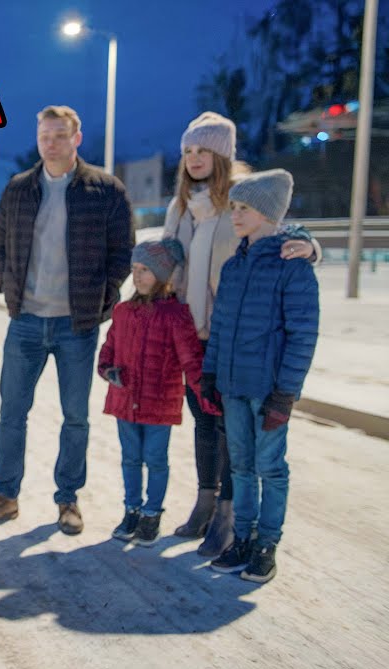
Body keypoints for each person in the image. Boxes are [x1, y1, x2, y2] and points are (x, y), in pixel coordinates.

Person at [162, 112, 319, 557]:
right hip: (191, 333)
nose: (194, 159)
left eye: (203, 150)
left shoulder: (242, 200)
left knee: (235, 432)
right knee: (204, 424)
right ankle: (205, 503)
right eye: (188, 151)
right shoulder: (179, 208)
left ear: (223, 155)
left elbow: (282, 232)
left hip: (234, 335)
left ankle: (230, 515)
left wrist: (311, 246)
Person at [0, 105, 135, 534]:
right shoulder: (20, 188)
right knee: (12, 413)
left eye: (60, 135)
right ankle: (5, 495)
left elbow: (123, 252)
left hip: (76, 325)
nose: (51, 143)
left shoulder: (105, 190)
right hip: (25, 320)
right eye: (45, 135)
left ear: (76, 139)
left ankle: (68, 499)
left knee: (75, 417)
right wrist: (8, 290)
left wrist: (103, 296)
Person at [203, 169, 319, 583]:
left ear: (268, 214)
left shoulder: (293, 267)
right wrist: (211, 371)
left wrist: (285, 393)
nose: (234, 215)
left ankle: (267, 543)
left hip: (268, 389)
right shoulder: (235, 266)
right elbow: (220, 326)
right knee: (240, 469)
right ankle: (243, 538)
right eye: (233, 207)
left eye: (244, 208)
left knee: (270, 467)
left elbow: (302, 335)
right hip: (233, 386)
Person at [98, 238, 218, 546]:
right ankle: (131, 511)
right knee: (129, 458)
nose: (137, 276)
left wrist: (206, 396)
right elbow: (108, 351)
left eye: (146, 270)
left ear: (163, 275)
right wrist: (108, 370)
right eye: (135, 269)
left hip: (159, 404)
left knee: (155, 459)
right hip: (124, 400)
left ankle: (152, 515)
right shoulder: (123, 312)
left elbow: (192, 360)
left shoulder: (176, 315)